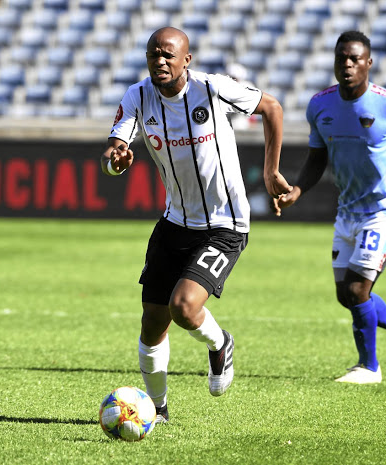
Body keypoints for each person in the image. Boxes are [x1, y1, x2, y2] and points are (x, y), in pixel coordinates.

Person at [100, 27, 291, 421]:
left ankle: (220, 344)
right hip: (174, 221)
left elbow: (272, 107)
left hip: (226, 223)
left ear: (187, 60)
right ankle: (158, 410)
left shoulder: (213, 89)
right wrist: (115, 160)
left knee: (184, 307)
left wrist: (271, 170)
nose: (161, 60)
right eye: (154, 54)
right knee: (153, 322)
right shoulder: (137, 96)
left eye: (169, 54)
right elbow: (114, 148)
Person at [273, 31, 386, 384]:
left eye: (355, 58)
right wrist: (297, 189)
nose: (348, 64)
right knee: (348, 295)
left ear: (369, 63)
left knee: (358, 290)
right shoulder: (319, 105)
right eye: (342, 58)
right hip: (348, 210)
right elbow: (317, 157)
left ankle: (369, 367)